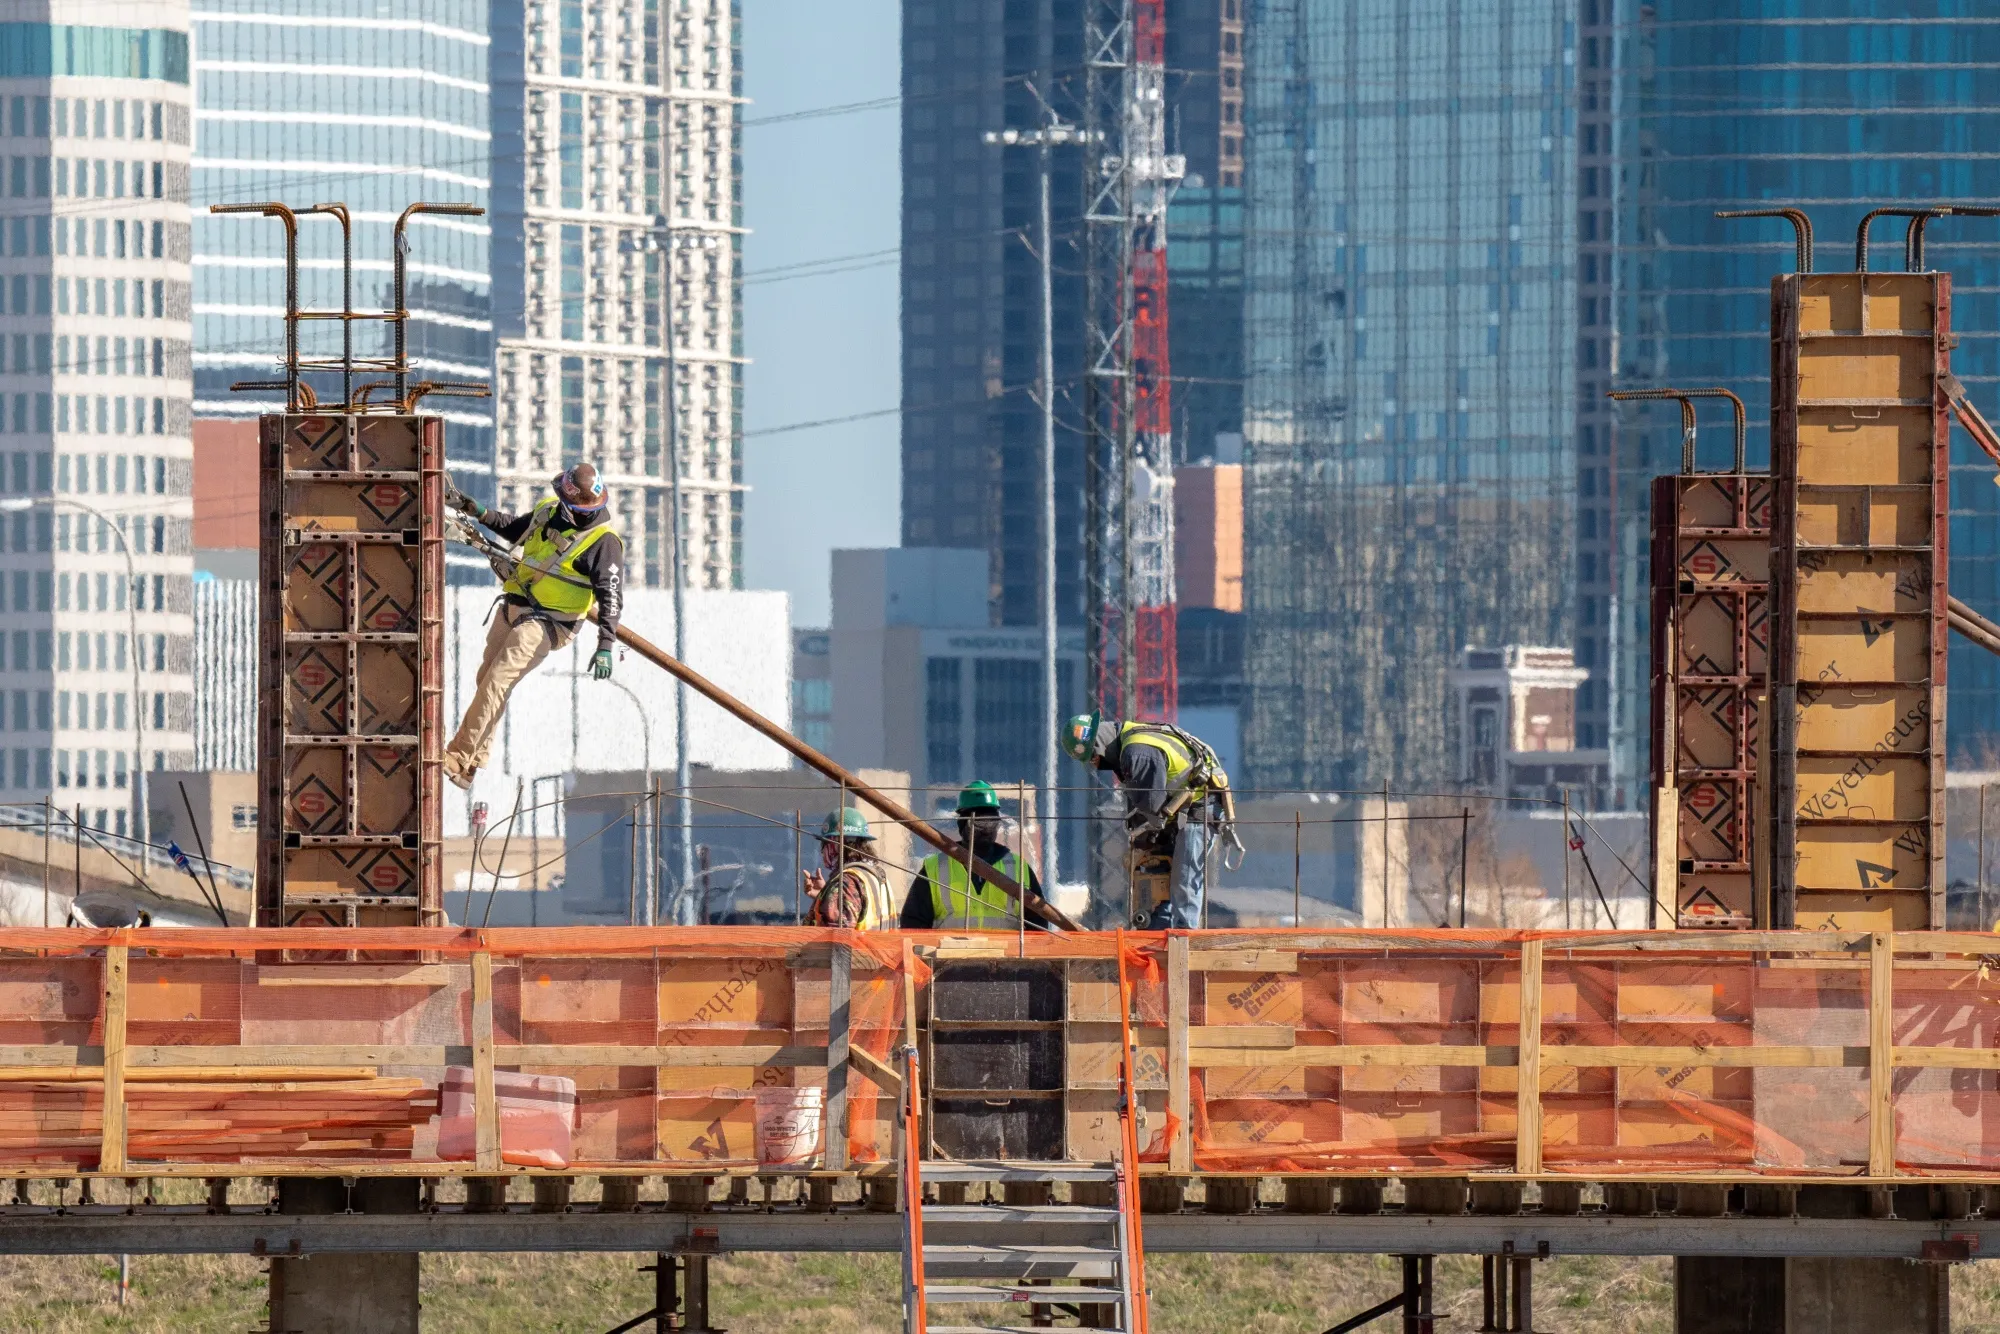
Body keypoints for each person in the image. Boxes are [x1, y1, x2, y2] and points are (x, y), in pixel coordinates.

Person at [442, 464, 625, 790]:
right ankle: (470, 765)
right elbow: (516, 529)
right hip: (516, 603)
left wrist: (606, 645)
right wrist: (477, 510)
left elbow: (611, 597)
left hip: (551, 623)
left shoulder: (603, 543)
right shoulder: (548, 511)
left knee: (498, 679)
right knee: (487, 679)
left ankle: (457, 755)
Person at [1062, 713, 1233, 929]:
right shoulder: (1131, 737)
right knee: (1162, 872)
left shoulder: (1136, 752)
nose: (1095, 765)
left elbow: (1151, 805)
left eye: (1093, 757)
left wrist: (1142, 840)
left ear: (1099, 745)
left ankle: (1183, 938)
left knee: (1184, 879)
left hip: (1199, 809)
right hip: (1180, 808)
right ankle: (1161, 927)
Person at [900, 781, 1052, 930]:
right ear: (962, 823)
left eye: (989, 820)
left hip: (1006, 955)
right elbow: (913, 925)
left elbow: (1040, 927)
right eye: (978, 821)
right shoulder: (935, 868)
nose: (984, 828)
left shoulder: (1019, 868)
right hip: (950, 955)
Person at [802, 808, 897, 929]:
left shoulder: (847, 882)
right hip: (877, 947)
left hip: (856, 948)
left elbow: (836, 939)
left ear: (835, 844)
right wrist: (827, 896)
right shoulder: (875, 876)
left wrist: (836, 892)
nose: (822, 850)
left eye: (825, 844)